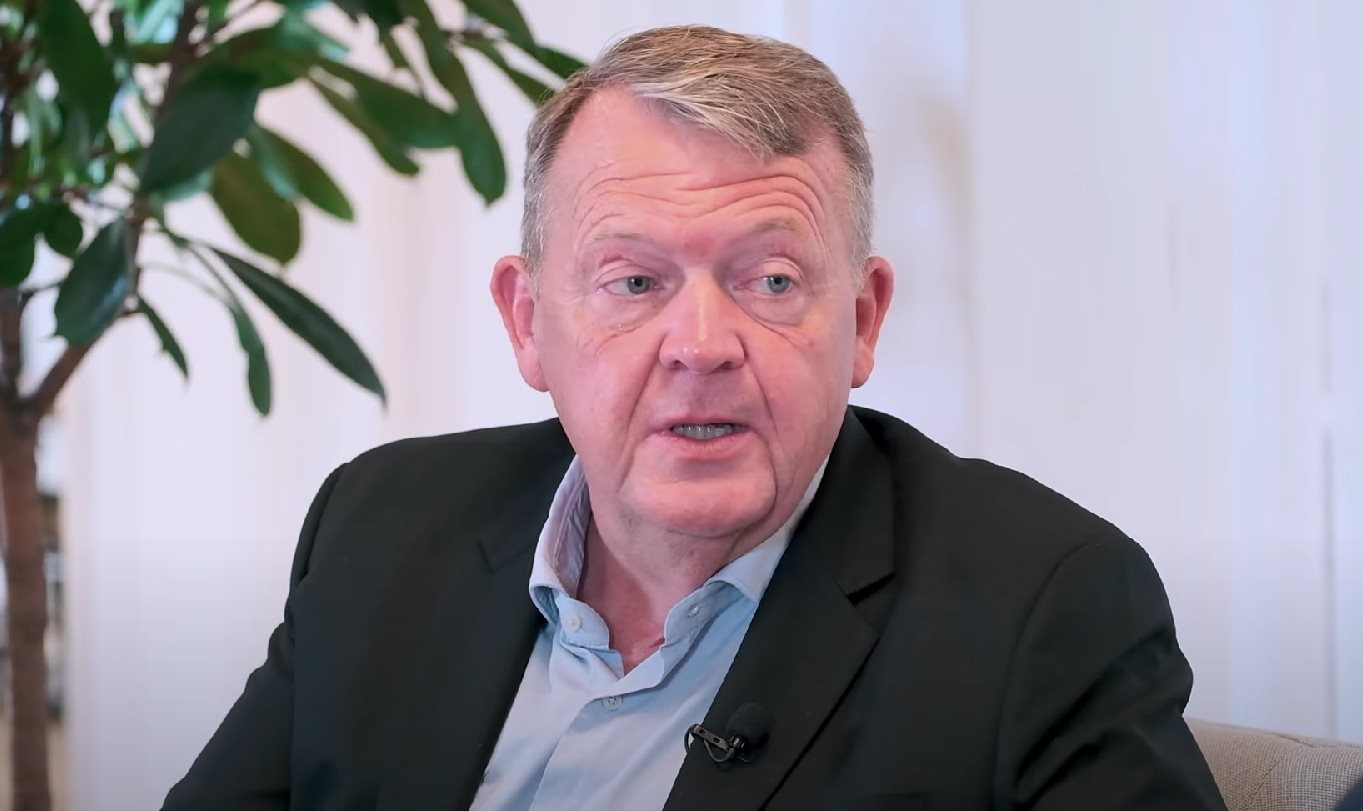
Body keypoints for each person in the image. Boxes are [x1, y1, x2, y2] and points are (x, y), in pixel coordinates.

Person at [162, 24, 1227, 810]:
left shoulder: (1042, 607)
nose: (702, 343)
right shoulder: (382, 524)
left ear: (861, 321)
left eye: (770, 281)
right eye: (634, 282)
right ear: (528, 323)